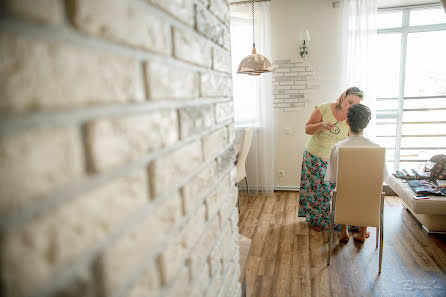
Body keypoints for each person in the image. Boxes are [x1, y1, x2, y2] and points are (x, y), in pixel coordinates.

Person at [298, 87, 364, 232]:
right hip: (314, 156)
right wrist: (321, 125)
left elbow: (353, 138)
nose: (350, 106)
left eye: (355, 104)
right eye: (349, 101)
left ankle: (342, 222)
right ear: (343, 97)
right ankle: (318, 221)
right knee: (317, 191)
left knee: (334, 191)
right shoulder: (323, 108)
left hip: (334, 157)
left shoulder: (351, 117)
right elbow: (307, 129)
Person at [325, 103, 388, 242]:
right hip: (367, 200)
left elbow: (333, 177)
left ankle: (343, 232)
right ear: (367, 123)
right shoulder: (376, 148)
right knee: (369, 191)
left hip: (345, 197)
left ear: (347, 121)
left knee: (340, 189)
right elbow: (382, 178)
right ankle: (362, 233)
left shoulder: (338, 147)